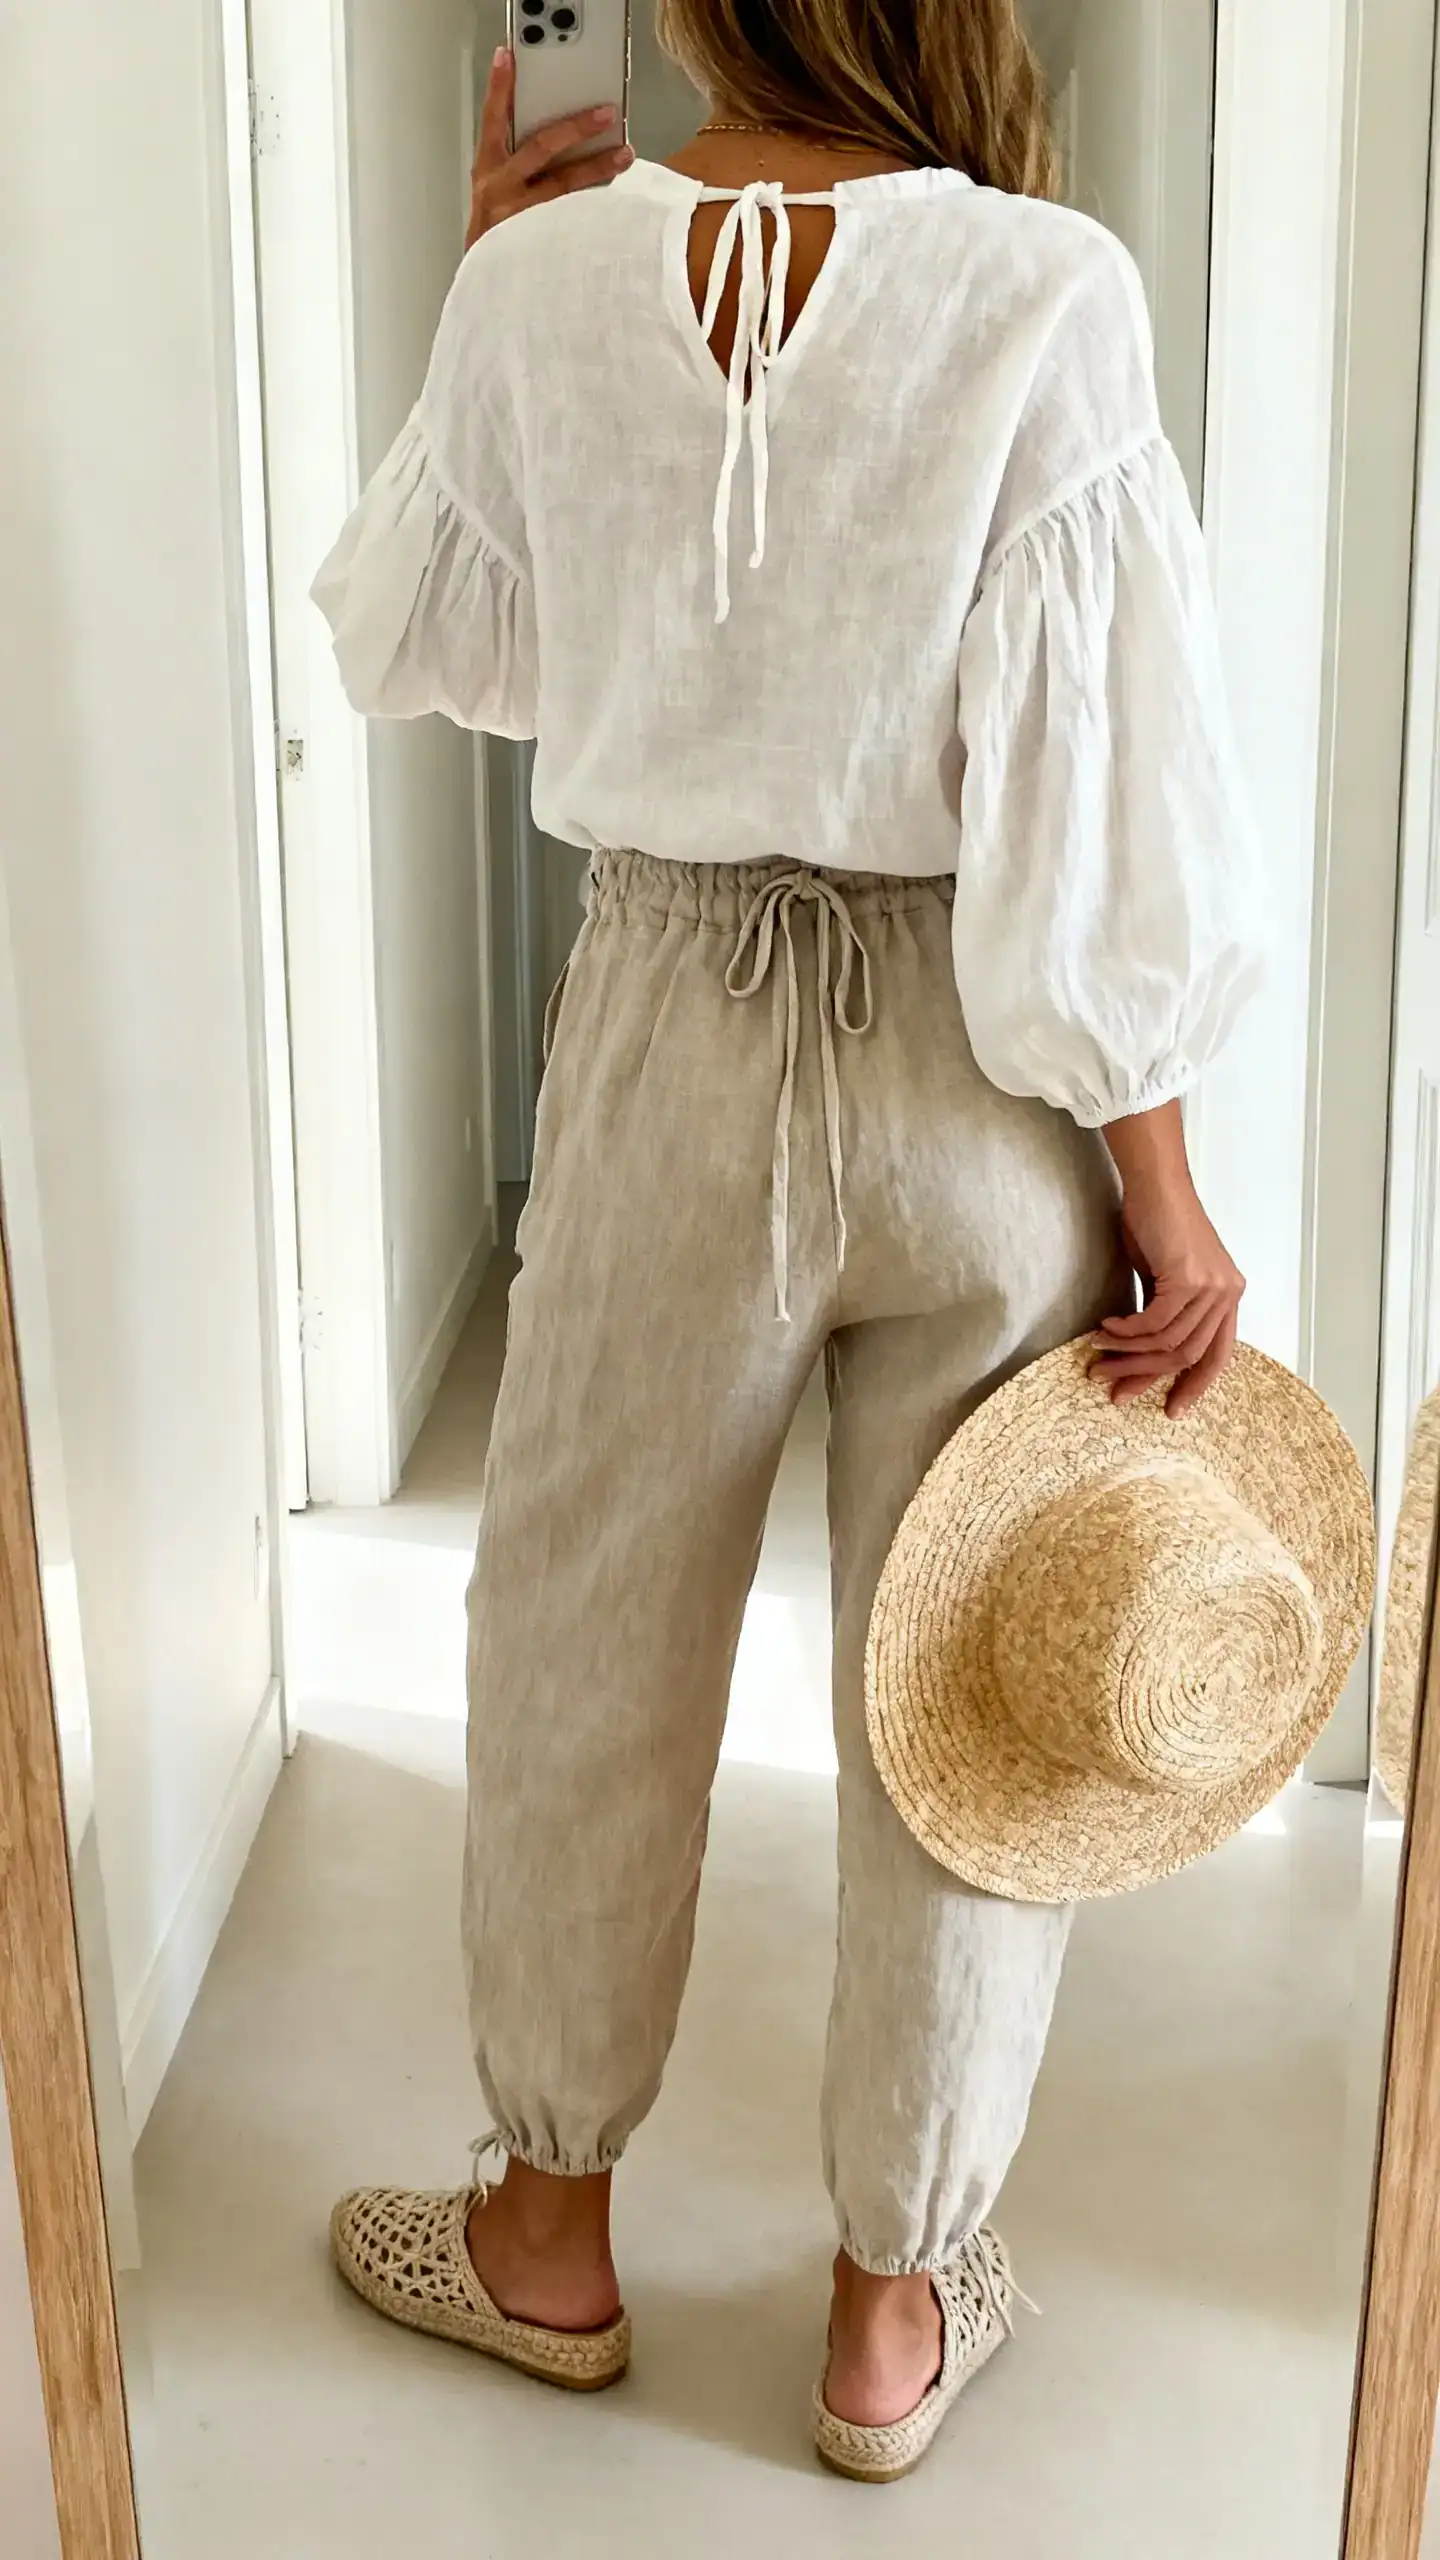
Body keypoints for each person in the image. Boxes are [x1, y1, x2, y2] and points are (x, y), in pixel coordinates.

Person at [313, 0, 1266, 2481]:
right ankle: (888, 2307)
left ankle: (545, 2229)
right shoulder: (1052, 290)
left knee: (578, 1623)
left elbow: (442, 644)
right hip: (977, 1058)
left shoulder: (539, 282)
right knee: (959, 1683)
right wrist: (1162, 1197)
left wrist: (505, 325)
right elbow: (1096, 781)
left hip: (667, 1019)